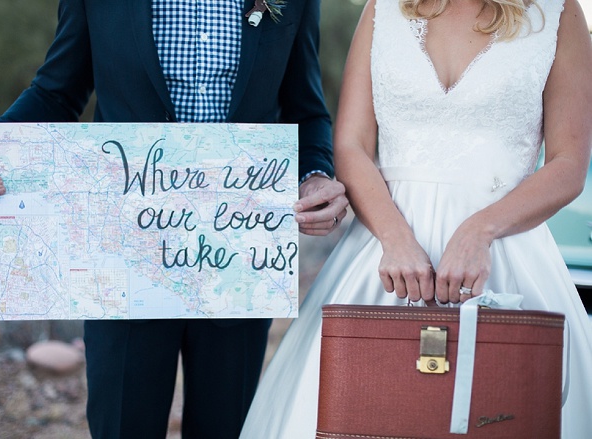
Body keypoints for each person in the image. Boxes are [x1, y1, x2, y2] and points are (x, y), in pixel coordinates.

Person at [0, 1, 349, 438]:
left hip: (236, 258)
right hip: (123, 252)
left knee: (228, 428)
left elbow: (307, 110)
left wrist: (316, 175)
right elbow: (57, 92)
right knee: (123, 425)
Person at [240, 0, 592, 437]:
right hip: (384, 254)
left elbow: (569, 164)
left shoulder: (558, 14)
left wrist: (480, 230)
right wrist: (395, 238)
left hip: (505, 253)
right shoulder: (383, 9)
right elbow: (350, 145)